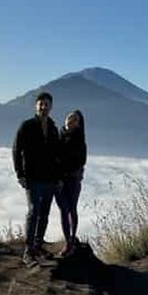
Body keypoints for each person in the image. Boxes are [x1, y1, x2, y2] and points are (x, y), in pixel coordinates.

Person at [12, 91, 61, 266]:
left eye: (47, 104)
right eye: (41, 104)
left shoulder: (53, 127)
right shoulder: (26, 126)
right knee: (34, 212)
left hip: (50, 178)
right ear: (36, 106)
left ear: (51, 107)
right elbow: (16, 150)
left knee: (44, 213)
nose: (44, 107)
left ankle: (38, 245)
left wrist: (58, 178)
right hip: (32, 178)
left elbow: (56, 154)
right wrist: (20, 174)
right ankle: (28, 250)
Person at [55, 110, 86, 258]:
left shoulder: (80, 140)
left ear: (78, 124)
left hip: (73, 179)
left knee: (72, 208)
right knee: (64, 209)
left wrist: (73, 172)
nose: (71, 120)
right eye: (69, 117)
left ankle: (72, 238)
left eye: (75, 120)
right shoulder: (57, 136)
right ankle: (68, 241)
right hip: (59, 180)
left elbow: (81, 161)